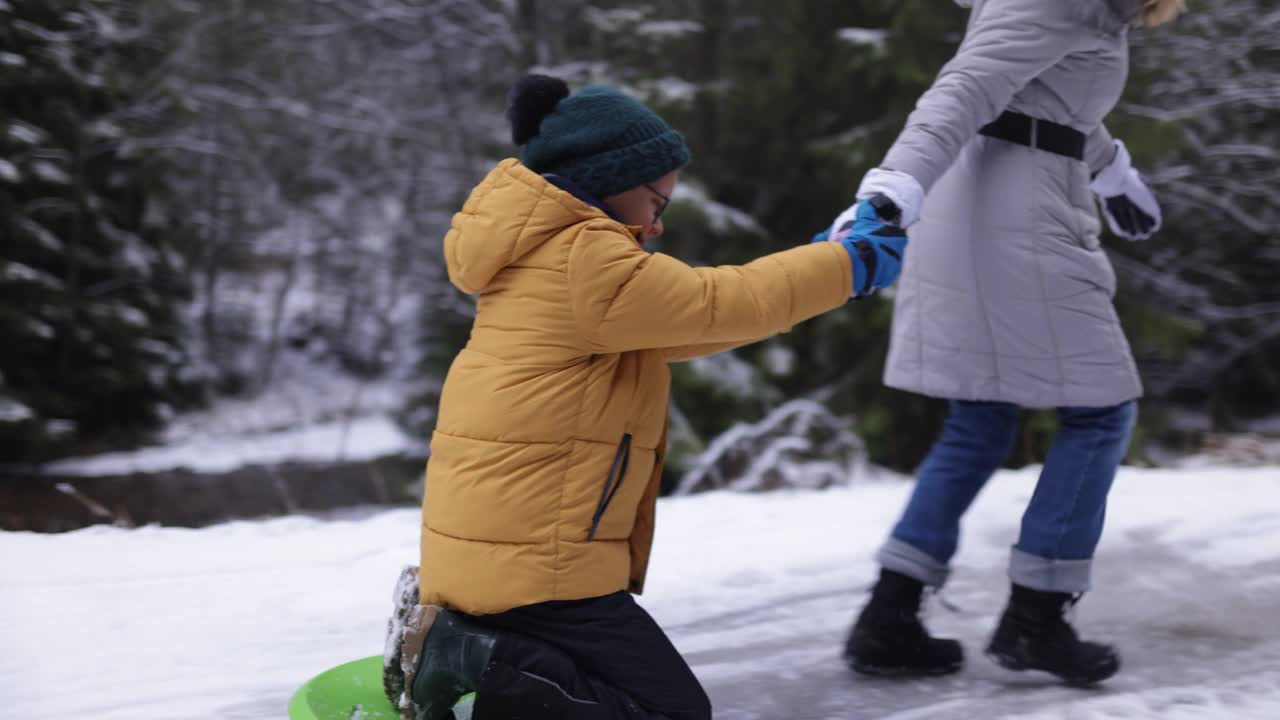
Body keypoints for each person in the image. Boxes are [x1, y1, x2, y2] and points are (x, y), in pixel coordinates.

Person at [398, 74, 905, 720]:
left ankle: (476, 660)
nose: (658, 225)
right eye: (657, 203)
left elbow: (689, 325)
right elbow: (713, 305)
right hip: (537, 568)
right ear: (613, 179)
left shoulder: (552, 252)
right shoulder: (586, 259)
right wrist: (846, 268)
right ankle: (471, 664)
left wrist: (824, 261)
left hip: (514, 555)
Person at [831, 0, 1183, 686]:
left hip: (984, 200)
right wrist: (893, 186)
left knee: (980, 417)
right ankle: (1037, 616)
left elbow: (1038, 91)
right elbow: (963, 89)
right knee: (1102, 409)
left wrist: (1111, 168)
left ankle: (890, 614)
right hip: (1017, 221)